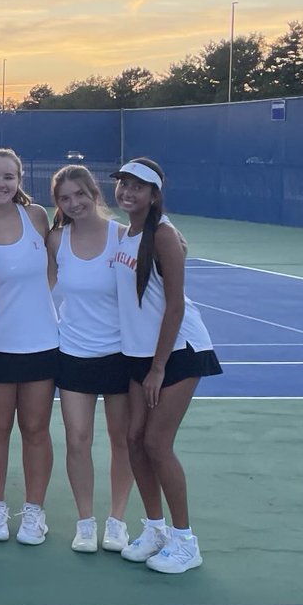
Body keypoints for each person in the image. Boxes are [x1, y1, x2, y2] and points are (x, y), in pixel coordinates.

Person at [111, 158, 221, 574]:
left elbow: (174, 305)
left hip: (178, 353)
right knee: (133, 440)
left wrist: (158, 368)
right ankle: (155, 529)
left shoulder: (163, 236)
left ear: (155, 194)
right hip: (139, 354)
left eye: (138, 187)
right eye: (123, 184)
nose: (127, 192)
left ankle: (185, 541)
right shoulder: (127, 235)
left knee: (157, 444)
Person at [47, 165, 133, 555]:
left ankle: (117, 521)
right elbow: (37, 283)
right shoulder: (56, 240)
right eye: (65, 198)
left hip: (120, 354)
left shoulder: (124, 236)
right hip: (73, 353)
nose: (74, 203)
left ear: (94, 193)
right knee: (77, 440)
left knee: (123, 440)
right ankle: (86, 523)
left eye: (80, 194)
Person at [0, 148, 59, 546]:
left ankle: (34, 512)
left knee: (36, 430)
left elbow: (54, 270)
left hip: (41, 343)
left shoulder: (38, 217)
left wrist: (35, 305)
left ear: (19, 181)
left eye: (8, 176)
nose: (0, 183)